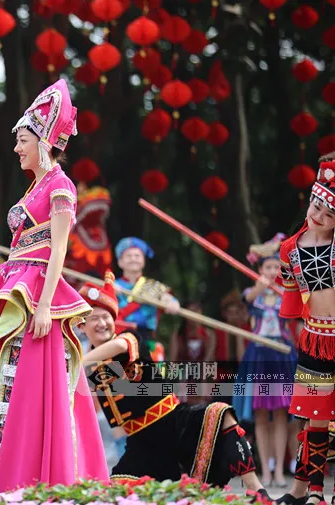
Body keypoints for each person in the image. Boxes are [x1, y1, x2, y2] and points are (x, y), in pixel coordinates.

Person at [0, 78, 108, 494]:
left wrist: (46, 304)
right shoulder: (35, 186)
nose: (17, 148)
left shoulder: (60, 187)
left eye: (23, 140)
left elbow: (58, 251)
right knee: (0, 382)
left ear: (44, 141)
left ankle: (26, 473)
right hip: (14, 286)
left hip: (33, 295)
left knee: (28, 387)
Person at [78, 271, 269, 498]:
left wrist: (76, 362)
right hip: (141, 443)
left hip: (174, 421)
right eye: (94, 319)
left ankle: (257, 490)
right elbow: (110, 414)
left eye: (106, 316)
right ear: (81, 327)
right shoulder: (89, 370)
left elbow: (118, 347)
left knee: (219, 412)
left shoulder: (130, 338)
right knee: (119, 494)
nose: (102, 323)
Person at [275, 153, 335, 505]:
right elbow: (294, 297)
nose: (319, 216)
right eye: (316, 206)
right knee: (316, 417)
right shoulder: (289, 251)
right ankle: (314, 490)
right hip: (314, 339)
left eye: (329, 215)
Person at [232, 234, 298, 488]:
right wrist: (262, 284)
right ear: (259, 270)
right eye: (268, 267)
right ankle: (266, 472)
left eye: (276, 268)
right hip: (259, 356)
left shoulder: (288, 293)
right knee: (261, 416)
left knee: (282, 415)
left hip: (282, 356)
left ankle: (280, 470)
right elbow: (246, 300)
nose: (272, 271)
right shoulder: (254, 292)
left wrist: (281, 286)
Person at [114, 237, 180, 361]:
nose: (133, 258)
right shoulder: (112, 285)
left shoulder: (154, 287)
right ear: (120, 262)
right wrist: (109, 292)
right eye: (128, 256)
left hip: (146, 341)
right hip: (117, 342)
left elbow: (168, 299)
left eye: (137, 255)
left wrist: (172, 303)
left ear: (144, 261)